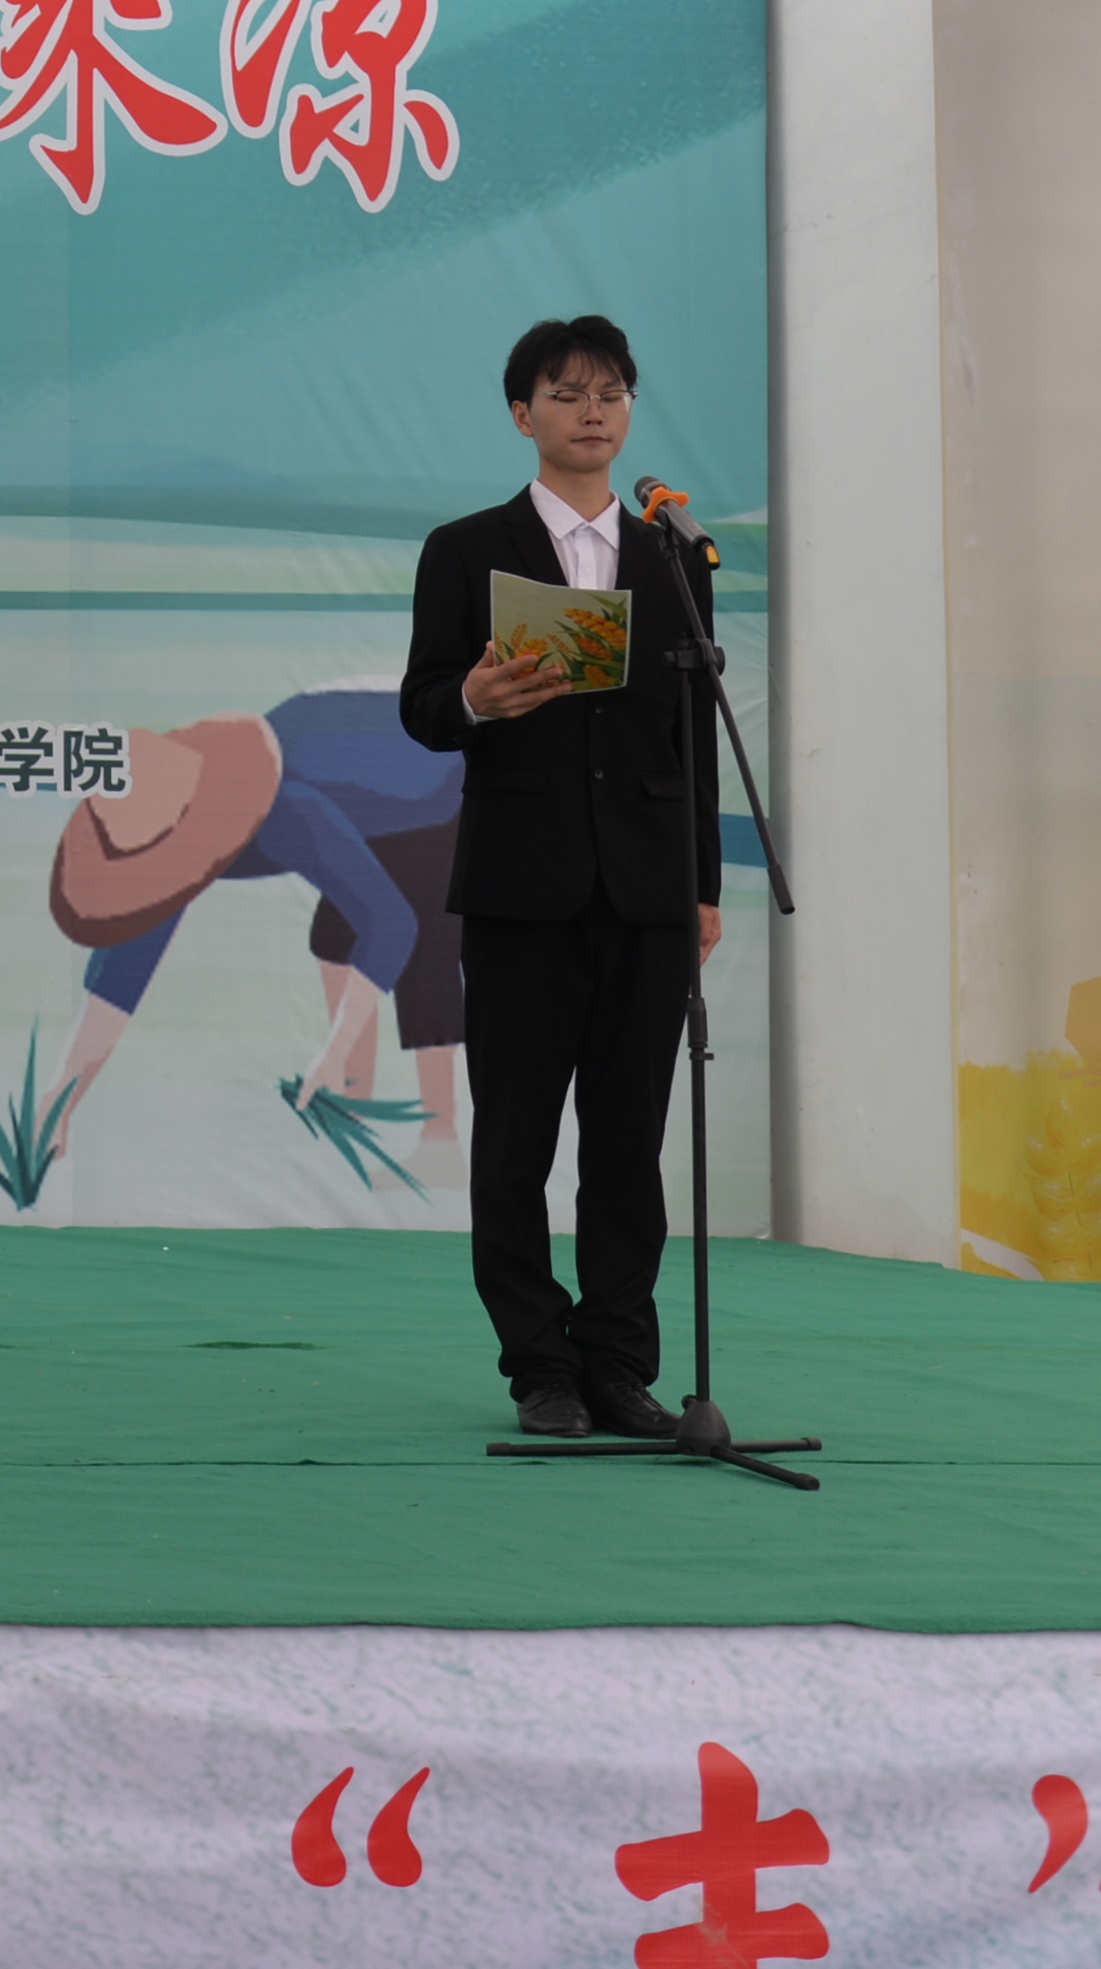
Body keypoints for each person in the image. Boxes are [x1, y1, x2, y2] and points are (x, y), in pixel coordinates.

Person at [395, 314, 720, 1442]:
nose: (593, 411)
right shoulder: (464, 549)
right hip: (521, 888)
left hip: (646, 891)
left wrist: (702, 885)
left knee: (629, 1142)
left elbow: (695, 730)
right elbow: (423, 705)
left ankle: (620, 1365)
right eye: (567, 392)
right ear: (521, 413)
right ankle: (541, 1366)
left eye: (611, 392)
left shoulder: (675, 555)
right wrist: (475, 699)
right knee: (515, 1143)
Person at [45, 690, 468, 1180]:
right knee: (335, 942)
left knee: (422, 956)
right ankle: (353, 1111)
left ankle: (440, 1141)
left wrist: (334, 1050)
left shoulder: (287, 813)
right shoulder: (170, 837)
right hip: (360, 798)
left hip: (441, 788)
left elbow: (391, 925)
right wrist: (60, 1100)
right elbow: (120, 978)